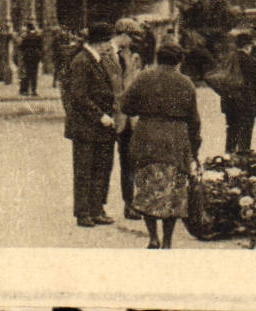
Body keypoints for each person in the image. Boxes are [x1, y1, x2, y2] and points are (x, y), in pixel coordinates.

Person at [120, 41, 200, 249]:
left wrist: (145, 109)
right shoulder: (186, 83)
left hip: (147, 137)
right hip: (176, 139)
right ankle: (167, 241)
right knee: (173, 193)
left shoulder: (144, 78)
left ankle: (152, 237)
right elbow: (194, 121)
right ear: (179, 61)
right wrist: (194, 149)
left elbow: (126, 105)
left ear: (158, 58)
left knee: (147, 189)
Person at [60, 23, 118, 227]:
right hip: (86, 126)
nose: (111, 45)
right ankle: (83, 212)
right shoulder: (82, 61)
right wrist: (99, 115)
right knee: (84, 170)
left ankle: (96, 209)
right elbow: (78, 96)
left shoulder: (96, 59)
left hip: (100, 126)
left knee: (101, 168)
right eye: (108, 41)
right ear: (100, 43)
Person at [102, 18, 145, 219]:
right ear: (123, 34)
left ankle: (130, 204)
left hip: (128, 118)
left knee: (129, 161)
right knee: (103, 163)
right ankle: (97, 206)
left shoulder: (131, 56)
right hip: (109, 116)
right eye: (132, 38)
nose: (134, 42)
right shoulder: (104, 53)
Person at [220, 31, 256, 154]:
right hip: (247, 105)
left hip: (231, 104)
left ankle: (229, 157)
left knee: (232, 132)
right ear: (248, 46)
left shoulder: (227, 63)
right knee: (245, 134)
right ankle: (243, 158)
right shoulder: (254, 63)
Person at [16, 22, 44, 97]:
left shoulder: (25, 37)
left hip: (27, 57)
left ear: (28, 28)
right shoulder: (38, 36)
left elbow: (21, 47)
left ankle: (26, 91)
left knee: (27, 74)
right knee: (34, 74)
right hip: (35, 57)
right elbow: (41, 47)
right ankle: (34, 91)